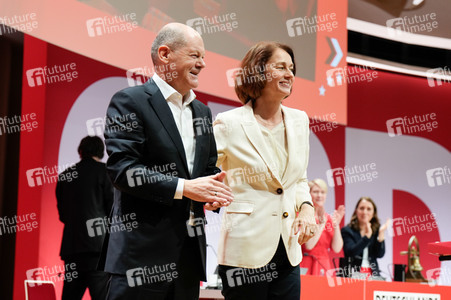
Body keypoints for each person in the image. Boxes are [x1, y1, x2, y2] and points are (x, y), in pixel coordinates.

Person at [100, 23, 233, 300]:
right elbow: (123, 170)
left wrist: (214, 191)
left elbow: (206, 170)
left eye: (204, 57)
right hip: (140, 260)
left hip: (188, 259)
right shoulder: (130, 101)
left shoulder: (202, 112)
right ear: (164, 54)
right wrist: (185, 188)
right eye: (195, 55)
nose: (203, 64)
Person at [213, 41, 317, 300]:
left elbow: (299, 179)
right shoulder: (229, 123)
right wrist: (211, 194)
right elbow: (202, 173)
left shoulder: (300, 120)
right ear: (258, 72)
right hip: (244, 251)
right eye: (280, 67)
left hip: (289, 251)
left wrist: (306, 208)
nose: (289, 74)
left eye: (291, 68)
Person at [56, 136, 113, 300]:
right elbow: (112, 212)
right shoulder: (106, 172)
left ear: (80, 151)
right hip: (98, 250)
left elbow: (63, 215)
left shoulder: (65, 175)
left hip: (72, 248)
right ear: (101, 152)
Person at [300, 179, 345, 276]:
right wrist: (321, 224)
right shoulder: (303, 216)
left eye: (322, 192)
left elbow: (337, 249)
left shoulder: (329, 218)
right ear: (309, 194)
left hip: (323, 265)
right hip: (305, 263)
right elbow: (309, 246)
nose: (319, 195)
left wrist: (336, 225)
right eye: (315, 192)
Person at [341, 197, 390, 278]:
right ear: (356, 210)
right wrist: (367, 237)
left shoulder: (376, 230)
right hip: (353, 274)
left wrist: (381, 233)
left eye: (369, 209)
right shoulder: (347, 230)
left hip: (373, 274)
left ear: (374, 213)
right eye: (362, 208)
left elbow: (380, 254)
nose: (365, 212)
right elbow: (351, 252)